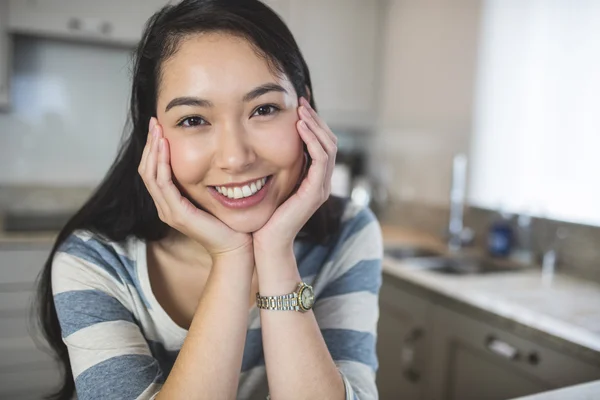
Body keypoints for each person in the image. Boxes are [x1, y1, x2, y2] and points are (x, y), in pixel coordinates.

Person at [34, 0, 383, 399]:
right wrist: (232, 257)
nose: (235, 158)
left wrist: (274, 252)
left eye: (264, 109)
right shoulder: (94, 262)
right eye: (193, 120)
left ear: (305, 109)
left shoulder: (348, 232)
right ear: (153, 135)